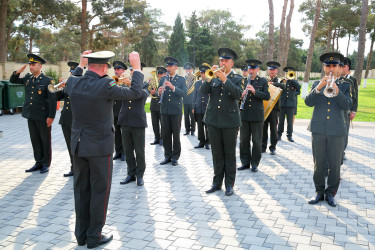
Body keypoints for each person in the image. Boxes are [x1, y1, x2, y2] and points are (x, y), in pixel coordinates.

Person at [65, 50, 143, 248]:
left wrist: (80, 64)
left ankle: (81, 235)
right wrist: (137, 68)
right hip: (99, 148)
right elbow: (135, 93)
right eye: (107, 66)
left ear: (88, 66)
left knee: (81, 191)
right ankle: (94, 236)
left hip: (78, 146)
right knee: (99, 191)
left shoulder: (74, 82)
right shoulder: (105, 85)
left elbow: (74, 76)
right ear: (102, 67)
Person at [305, 52, 351, 207]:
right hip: (318, 129)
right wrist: (319, 87)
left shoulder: (345, 85)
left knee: (334, 165)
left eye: (334, 65)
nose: (331, 68)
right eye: (328, 65)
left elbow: (347, 105)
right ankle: (319, 192)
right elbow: (308, 102)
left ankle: (331, 193)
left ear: (339, 68)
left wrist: (336, 90)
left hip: (337, 130)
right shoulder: (316, 83)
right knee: (319, 164)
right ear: (324, 67)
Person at [202, 48, 244, 196]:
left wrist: (224, 79)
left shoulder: (238, 78)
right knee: (216, 154)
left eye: (225, 61)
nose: (222, 63)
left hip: (230, 122)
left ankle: (229, 184)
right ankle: (216, 183)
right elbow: (202, 91)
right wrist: (209, 78)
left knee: (229, 154)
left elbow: (238, 94)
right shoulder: (212, 76)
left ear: (231, 63)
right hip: (213, 120)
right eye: (221, 60)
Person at [10, 54, 56, 174]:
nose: (31, 67)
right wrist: (18, 71)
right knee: (35, 139)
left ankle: (46, 163)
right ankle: (38, 162)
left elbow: (52, 100)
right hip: (30, 115)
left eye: (33, 64)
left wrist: (51, 116)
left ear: (40, 66)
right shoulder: (28, 79)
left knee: (45, 140)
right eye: (30, 65)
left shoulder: (47, 80)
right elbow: (13, 80)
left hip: (43, 116)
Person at [238, 59, 270, 172]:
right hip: (244, 114)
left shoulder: (262, 81)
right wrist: (241, 96)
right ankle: (245, 162)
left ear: (258, 69)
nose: (251, 70)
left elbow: (267, 96)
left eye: (253, 68)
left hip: (257, 115)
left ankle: (255, 163)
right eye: (249, 68)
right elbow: (237, 96)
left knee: (256, 141)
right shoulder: (242, 81)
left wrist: (254, 91)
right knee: (243, 141)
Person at [118, 73, 149, 186]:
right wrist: (116, 79)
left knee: (139, 151)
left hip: (138, 122)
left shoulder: (144, 85)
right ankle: (131, 173)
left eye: (133, 72)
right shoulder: (123, 86)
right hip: (125, 121)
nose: (131, 74)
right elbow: (111, 86)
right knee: (128, 150)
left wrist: (131, 84)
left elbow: (143, 95)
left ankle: (140, 175)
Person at [158, 57, 187, 166]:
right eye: (167, 66)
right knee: (166, 134)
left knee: (176, 134)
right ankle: (167, 156)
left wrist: (172, 87)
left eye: (170, 66)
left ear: (175, 67)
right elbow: (158, 94)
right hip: (165, 110)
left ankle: (175, 157)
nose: (168, 68)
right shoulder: (162, 79)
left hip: (176, 111)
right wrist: (159, 92)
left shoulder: (181, 79)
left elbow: (184, 93)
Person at [55, 61, 81, 177]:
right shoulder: (68, 85)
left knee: (77, 147)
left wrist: (68, 86)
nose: (71, 74)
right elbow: (56, 97)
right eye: (71, 72)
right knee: (70, 146)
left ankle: (80, 168)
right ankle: (73, 167)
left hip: (76, 120)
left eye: (73, 72)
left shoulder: (81, 84)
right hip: (65, 119)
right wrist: (59, 87)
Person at [262, 61, 285, 155]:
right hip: (265, 107)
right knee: (263, 128)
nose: (272, 71)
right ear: (268, 70)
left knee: (273, 128)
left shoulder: (280, 81)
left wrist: (273, 84)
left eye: (274, 69)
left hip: (274, 109)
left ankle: (273, 147)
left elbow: (284, 86)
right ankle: (262, 146)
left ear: (277, 70)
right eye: (270, 69)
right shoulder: (264, 80)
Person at [277, 66, 301, 143]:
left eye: (289, 73)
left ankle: (289, 135)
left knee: (290, 121)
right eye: (286, 73)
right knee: (281, 121)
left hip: (291, 104)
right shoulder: (282, 81)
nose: (288, 74)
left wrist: (292, 80)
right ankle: (279, 134)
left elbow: (298, 88)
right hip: (282, 103)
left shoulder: (294, 81)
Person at [342, 57, 358, 160]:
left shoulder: (353, 80)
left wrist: (353, 111)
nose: (341, 67)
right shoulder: (336, 78)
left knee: (345, 132)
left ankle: (342, 152)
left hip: (347, 110)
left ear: (348, 68)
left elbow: (355, 96)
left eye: (343, 66)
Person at [112, 60, 128, 161]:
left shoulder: (127, 81)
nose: (116, 71)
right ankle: (117, 151)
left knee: (124, 134)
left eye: (118, 69)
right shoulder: (113, 81)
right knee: (116, 133)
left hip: (124, 111)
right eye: (115, 69)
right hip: (114, 111)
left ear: (123, 70)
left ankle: (125, 152)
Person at [192, 64, 210, 149]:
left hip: (207, 108)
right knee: (200, 126)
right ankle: (201, 142)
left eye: (204, 73)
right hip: (198, 107)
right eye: (201, 73)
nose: (202, 74)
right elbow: (194, 96)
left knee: (207, 126)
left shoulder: (211, 83)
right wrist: (193, 107)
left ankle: (207, 142)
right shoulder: (197, 83)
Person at [150, 66, 167, 146]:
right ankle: (156, 138)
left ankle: (163, 139)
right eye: (158, 73)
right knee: (155, 123)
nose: (159, 75)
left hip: (161, 105)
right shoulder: (153, 80)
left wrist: (155, 93)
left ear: (165, 74)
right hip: (153, 104)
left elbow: (163, 92)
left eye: (161, 73)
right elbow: (149, 89)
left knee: (163, 123)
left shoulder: (165, 80)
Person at [183, 62, 196, 136]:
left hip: (192, 99)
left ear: (192, 70)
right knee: (186, 116)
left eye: (189, 69)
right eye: (187, 69)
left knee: (192, 116)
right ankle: (187, 129)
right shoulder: (184, 78)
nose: (188, 70)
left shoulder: (195, 78)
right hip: (185, 99)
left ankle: (193, 130)